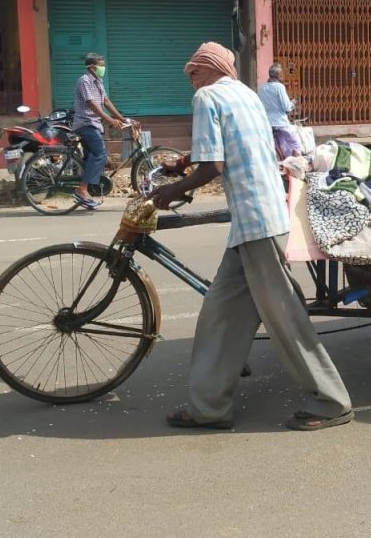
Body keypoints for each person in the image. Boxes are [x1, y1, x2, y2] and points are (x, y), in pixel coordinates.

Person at [149, 42, 352, 432]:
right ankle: (209, 407)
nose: (191, 81)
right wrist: (185, 162)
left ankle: (331, 401)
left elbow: (214, 165)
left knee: (285, 317)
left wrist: (173, 191)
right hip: (257, 218)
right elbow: (234, 143)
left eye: (194, 72)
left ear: (209, 69)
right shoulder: (244, 93)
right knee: (221, 313)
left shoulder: (208, 96)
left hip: (257, 221)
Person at [71, 53, 132, 209]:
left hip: (94, 124)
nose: (103, 68)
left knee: (90, 157)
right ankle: (82, 189)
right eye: (100, 66)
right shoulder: (84, 81)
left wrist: (121, 118)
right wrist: (110, 120)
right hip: (85, 124)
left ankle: (87, 191)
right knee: (100, 153)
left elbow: (105, 101)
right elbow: (92, 104)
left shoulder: (98, 81)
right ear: (92, 67)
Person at [259, 62, 302, 158]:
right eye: (282, 74)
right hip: (280, 122)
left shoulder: (261, 87)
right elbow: (286, 106)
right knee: (296, 144)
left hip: (267, 122)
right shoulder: (279, 87)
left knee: (278, 145)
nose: (283, 77)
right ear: (278, 75)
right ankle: (296, 165)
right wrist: (293, 102)